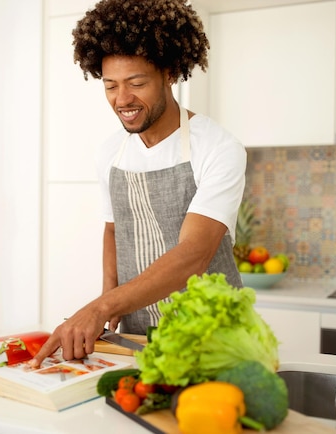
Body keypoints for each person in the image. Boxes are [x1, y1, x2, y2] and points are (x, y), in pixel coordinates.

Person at [30, 0, 246, 364]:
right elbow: (114, 230)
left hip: (215, 338)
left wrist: (100, 306)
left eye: (137, 83)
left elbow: (194, 254)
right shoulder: (111, 152)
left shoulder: (218, 147)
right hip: (137, 335)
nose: (122, 99)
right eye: (110, 85)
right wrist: (108, 304)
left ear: (170, 73)